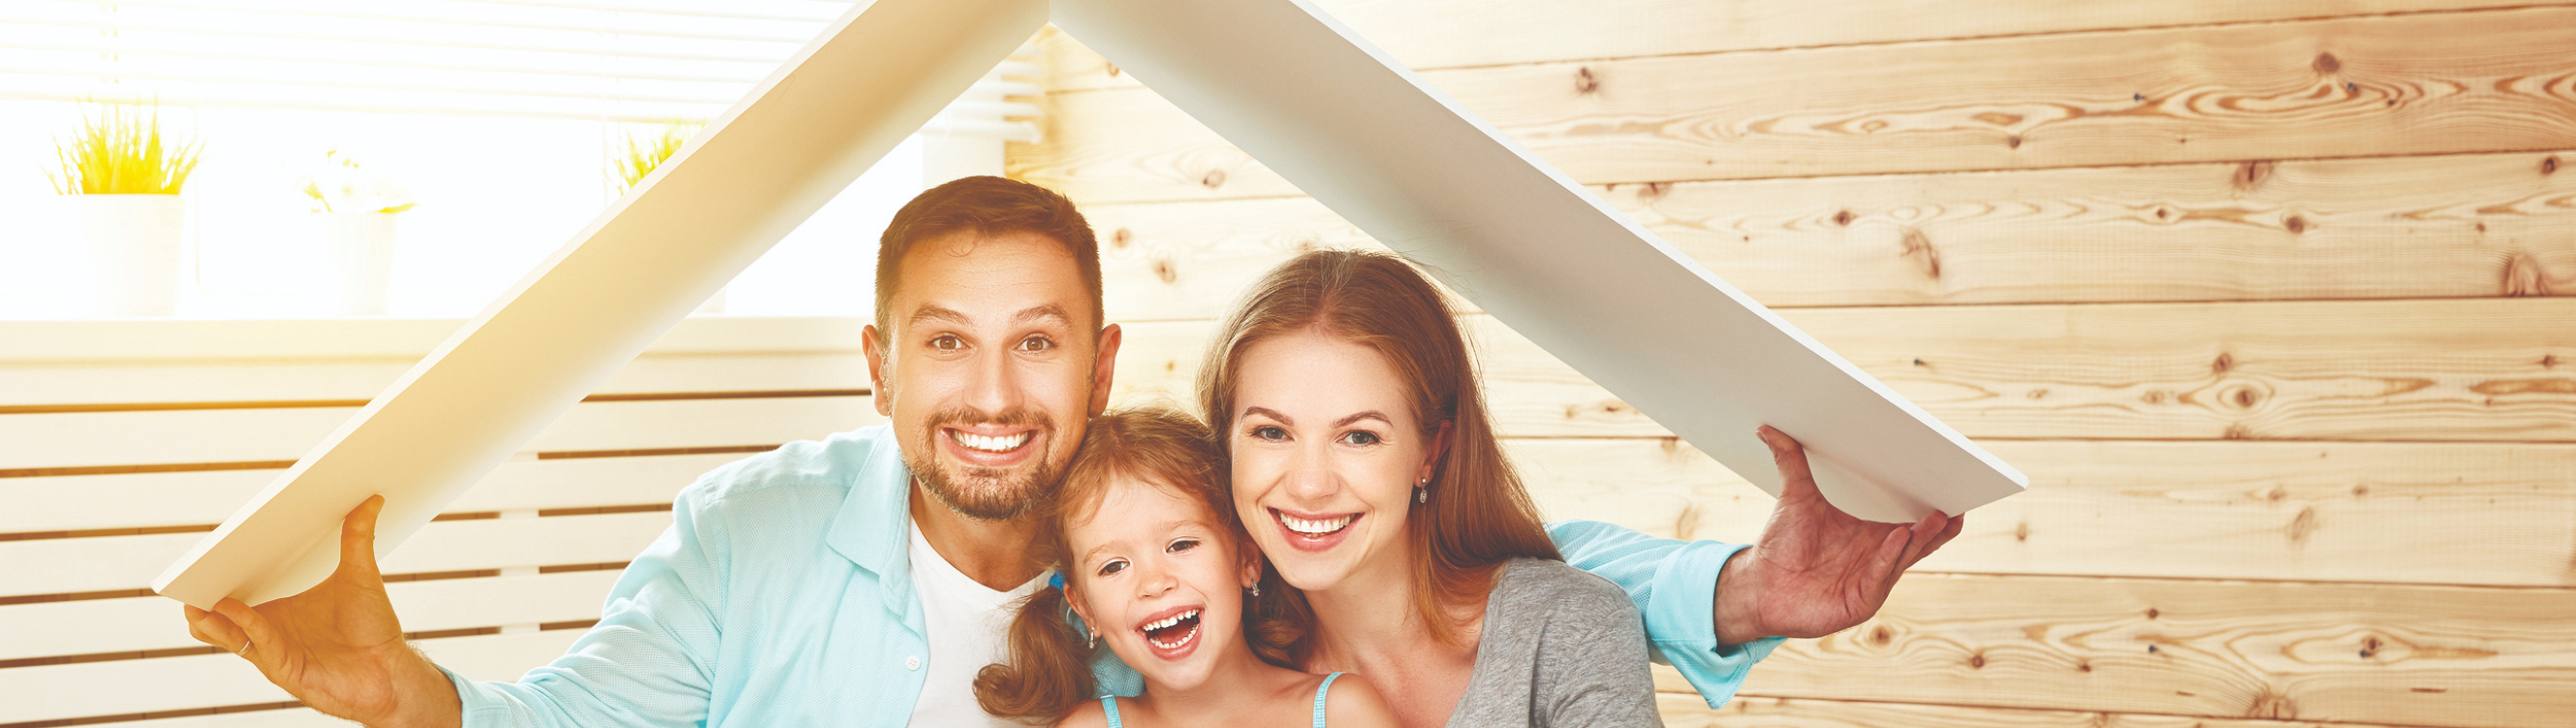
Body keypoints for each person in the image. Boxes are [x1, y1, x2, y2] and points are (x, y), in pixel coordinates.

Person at [178, 176, 1952, 728]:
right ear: (877, 367)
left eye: (1036, 341)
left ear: (1101, 363)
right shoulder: (752, 535)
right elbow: (586, 714)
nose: (991, 391)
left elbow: (1461, 570)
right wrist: (416, 696)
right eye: (944, 344)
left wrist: (1732, 587)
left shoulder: (1195, 543)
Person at [1198, 249, 1963, 727]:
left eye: (1359, 434)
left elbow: (1567, 577)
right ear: (1224, 439)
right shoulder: (1185, 654)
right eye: (1269, 431)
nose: (1306, 480)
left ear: (1432, 449)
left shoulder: (1563, 629)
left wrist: (1740, 591)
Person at [972, 407, 1397, 728]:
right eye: (1113, 566)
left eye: (1181, 544)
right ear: (1084, 609)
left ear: (1247, 560)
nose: (1154, 583)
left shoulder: (1342, 712)